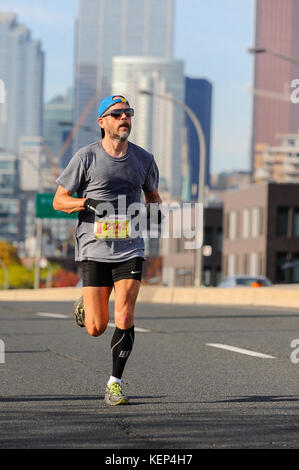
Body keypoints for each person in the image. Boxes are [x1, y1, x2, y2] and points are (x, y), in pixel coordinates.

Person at [53, 95, 162, 406]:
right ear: (102, 122)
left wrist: (154, 216)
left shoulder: (144, 159)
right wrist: (85, 203)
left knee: (125, 313)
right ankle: (86, 302)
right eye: (116, 114)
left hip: (130, 247)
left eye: (128, 113)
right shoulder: (86, 157)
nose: (124, 117)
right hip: (93, 247)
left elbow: (154, 197)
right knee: (96, 328)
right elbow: (58, 200)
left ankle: (115, 383)